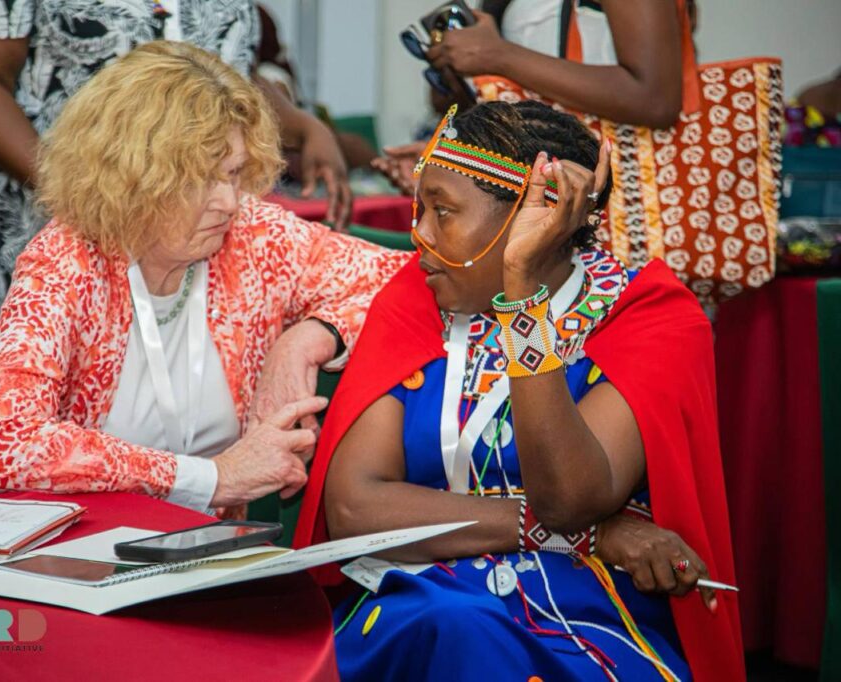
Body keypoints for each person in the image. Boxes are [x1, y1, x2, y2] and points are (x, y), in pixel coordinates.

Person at [295, 101, 744, 680]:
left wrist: (522, 295)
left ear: (534, 217)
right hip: (422, 598)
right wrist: (594, 536)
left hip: (591, 612)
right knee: (454, 626)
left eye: (443, 212)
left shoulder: (644, 314)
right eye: (419, 208)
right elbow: (356, 507)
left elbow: (570, 496)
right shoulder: (414, 298)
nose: (420, 237)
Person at [0, 41, 407, 517]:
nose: (230, 201)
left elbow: (408, 280)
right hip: (87, 560)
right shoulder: (67, 259)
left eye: (234, 174)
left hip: (218, 555)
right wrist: (213, 478)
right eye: (201, 180)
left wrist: (311, 337)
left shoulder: (253, 239)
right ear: (134, 179)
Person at [0, 0, 352, 334]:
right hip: (74, 229)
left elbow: (225, 64)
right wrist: (84, 195)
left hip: (204, 245)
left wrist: (300, 125)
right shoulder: (60, 259)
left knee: (209, 402)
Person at [376, 0, 696, 194]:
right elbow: (524, 102)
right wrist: (452, 159)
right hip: (545, 206)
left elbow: (655, 98)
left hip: (622, 204)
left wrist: (498, 55)